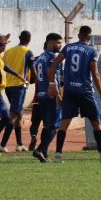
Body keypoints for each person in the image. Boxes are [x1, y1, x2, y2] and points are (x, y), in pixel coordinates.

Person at [47, 25, 101, 163]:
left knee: (64, 124)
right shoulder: (91, 51)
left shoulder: (68, 48)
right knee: (96, 123)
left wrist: (52, 83)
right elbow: (95, 73)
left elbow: (54, 64)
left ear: (78, 36)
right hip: (85, 91)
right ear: (89, 37)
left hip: (69, 90)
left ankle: (58, 155)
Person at [0, 31, 35, 152]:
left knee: (19, 114)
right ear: (29, 40)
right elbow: (33, 70)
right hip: (19, 86)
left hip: (8, 86)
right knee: (14, 115)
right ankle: (2, 144)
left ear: (19, 38)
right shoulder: (28, 52)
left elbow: (3, 66)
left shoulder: (8, 51)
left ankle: (19, 144)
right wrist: (34, 80)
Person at [31, 33, 63, 163]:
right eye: (59, 43)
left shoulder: (40, 57)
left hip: (41, 95)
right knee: (55, 125)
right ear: (51, 43)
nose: (60, 45)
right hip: (51, 94)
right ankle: (40, 149)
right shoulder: (52, 56)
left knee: (47, 126)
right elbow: (52, 74)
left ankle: (43, 153)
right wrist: (57, 93)